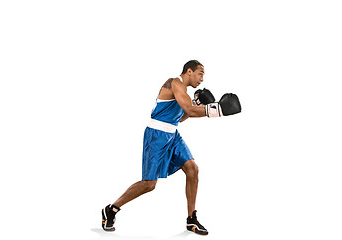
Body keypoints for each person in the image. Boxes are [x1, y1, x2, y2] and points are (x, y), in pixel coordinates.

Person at [101, 60, 241, 235]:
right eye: (200, 73)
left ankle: (191, 219)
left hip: (173, 134)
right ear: (189, 71)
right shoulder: (174, 83)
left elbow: (182, 117)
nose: (202, 79)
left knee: (193, 169)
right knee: (149, 184)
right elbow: (189, 110)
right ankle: (111, 209)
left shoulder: (185, 94)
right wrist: (217, 110)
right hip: (157, 135)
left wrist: (199, 106)